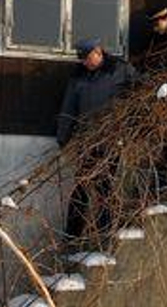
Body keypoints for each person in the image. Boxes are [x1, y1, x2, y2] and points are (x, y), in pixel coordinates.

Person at [56, 39, 140, 243]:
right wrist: (63, 137)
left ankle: (105, 233)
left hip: (112, 137)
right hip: (87, 140)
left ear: (98, 51)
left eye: (88, 58)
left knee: (106, 185)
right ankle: (72, 235)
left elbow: (141, 88)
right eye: (83, 60)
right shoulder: (78, 77)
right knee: (82, 186)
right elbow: (68, 109)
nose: (86, 63)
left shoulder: (119, 69)